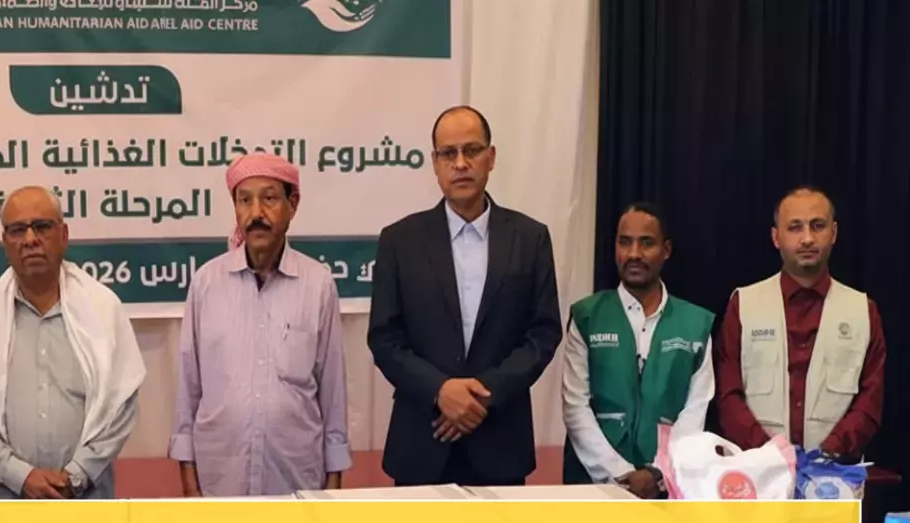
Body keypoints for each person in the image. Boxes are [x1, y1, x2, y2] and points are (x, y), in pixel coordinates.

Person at [367, 105, 561, 487]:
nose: (460, 163)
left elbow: (543, 334)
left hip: (500, 442)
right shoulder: (399, 241)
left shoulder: (530, 238)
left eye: (472, 150)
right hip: (422, 443)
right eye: (448, 153)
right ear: (435, 163)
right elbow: (385, 339)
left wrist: (483, 395)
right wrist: (440, 391)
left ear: (491, 157)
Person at [169, 153, 352, 496]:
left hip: (297, 481)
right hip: (219, 481)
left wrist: (333, 484)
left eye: (269, 198)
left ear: (292, 205)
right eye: (244, 200)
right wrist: (189, 478)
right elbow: (188, 387)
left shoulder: (318, 284)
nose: (256, 213)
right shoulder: (207, 283)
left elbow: (333, 393)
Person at [0, 186, 145, 499]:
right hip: (10, 501)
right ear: (5, 242)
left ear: (63, 235)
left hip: (88, 499)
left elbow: (120, 407)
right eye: (17, 230)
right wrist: (20, 476)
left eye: (41, 227)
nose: (30, 240)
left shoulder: (104, 310)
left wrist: (77, 475)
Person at [713, 186, 886, 461]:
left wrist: (829, 452)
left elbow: (871, 399)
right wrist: (771, 455)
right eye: (795, 227)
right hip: (758, 470)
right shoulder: (742, 305)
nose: (807, 238)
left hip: (835, 472)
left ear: (834, 233)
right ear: (776, 237)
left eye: (818, 226)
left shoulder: (863, 311)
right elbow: (727, 395)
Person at [561, 202, 714, 498]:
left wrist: (657, 474)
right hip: (593, 488)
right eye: (625, 242)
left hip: (668, 488)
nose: (634, 254)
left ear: (666, 250)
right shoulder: (587, 316)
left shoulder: (695, 323)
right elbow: (575, 406)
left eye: (646, 243)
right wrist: (620, 474)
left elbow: (696, 410)